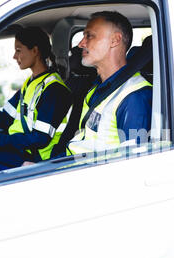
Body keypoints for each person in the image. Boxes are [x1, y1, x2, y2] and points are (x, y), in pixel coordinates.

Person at [0, 26, 72, 172]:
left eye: (18, 50)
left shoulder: (54, 89)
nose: (14, 56)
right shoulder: (30, 84)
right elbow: (4, 119)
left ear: (35, 51)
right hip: (21, 149)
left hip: (35, 159)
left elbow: (40, 139)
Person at [65, 11, 152, 155]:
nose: (81, 44)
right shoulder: (97, 88)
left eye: (89, 36)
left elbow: (133, 165)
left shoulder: (134, 97)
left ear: (115, 40)